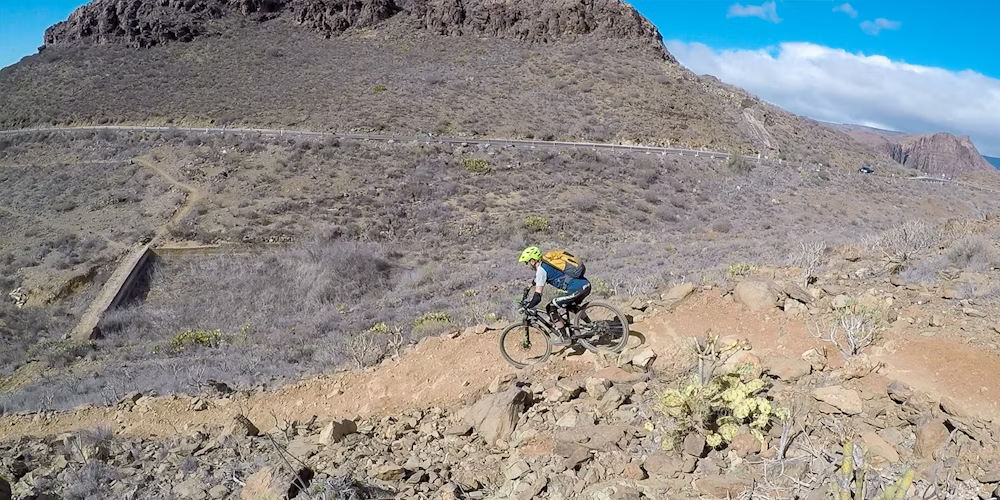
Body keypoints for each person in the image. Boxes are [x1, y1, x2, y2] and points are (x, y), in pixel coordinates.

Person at [518, 246, 592, 344]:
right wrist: (529, 287)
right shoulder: (546, 263)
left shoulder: (541, 270)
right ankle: (591, 325)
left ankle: (565, 337)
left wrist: (528, 306)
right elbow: (538, 279)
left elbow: (538, 297)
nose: (527, 265)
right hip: (584, 285)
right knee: (570, 305)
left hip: (577, 289)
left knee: (551, 307)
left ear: (532, 261)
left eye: (527, 262)